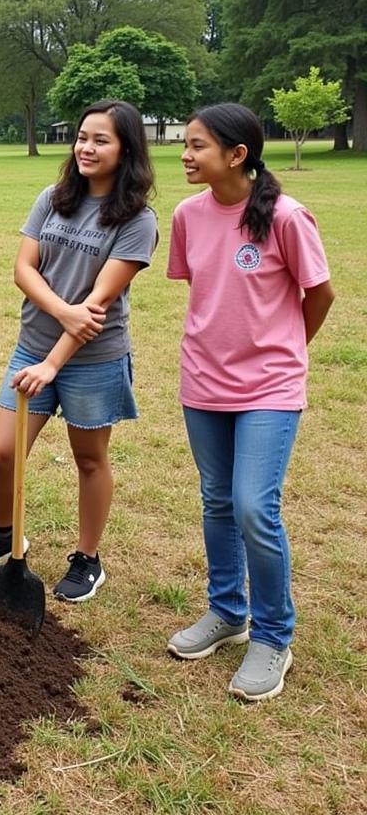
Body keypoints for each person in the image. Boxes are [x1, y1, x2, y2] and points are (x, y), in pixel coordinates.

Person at [0, 100, 157, 602]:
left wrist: (55, 357)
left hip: (95, 358)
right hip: (34, 346)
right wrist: (61, 314)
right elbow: (23, 269)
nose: (86, 147)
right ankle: (7, 533)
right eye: (82, 137)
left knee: (89, 458)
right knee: (1, 453)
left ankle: (88, 558)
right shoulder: (54, 197)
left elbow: (99, 304)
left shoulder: (138, 219)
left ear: (126, 148)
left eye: (101, 140)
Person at [165, 103, 334, 702]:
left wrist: (284, 350)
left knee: (253, 507)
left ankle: (272, 636)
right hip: (203, 383)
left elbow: (320, 294)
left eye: (197, 146)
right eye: (185, 144)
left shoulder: (286, 217)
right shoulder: (188, 214)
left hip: (269, 387)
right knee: (216, 500)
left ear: (237, 155)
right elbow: (208, 292)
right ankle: (227, 612)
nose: (185, 155)